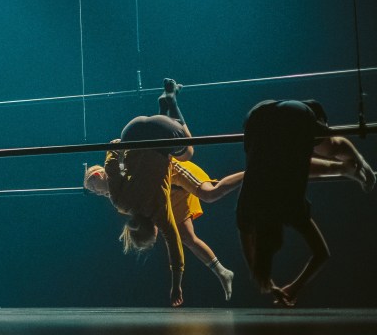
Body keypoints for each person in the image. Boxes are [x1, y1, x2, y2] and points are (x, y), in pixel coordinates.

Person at [84, 79, 243, 307]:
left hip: (165, 151)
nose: (99, 193)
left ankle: (172, 104)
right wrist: (116, 146)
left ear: (154, 228)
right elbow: (114, 164)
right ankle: (221, 271)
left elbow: (174, 249)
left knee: (190, 158)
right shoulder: (121, 202)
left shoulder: (156, 211)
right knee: (187, 236)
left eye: (95, 189)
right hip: (132, 130)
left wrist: (176, 285)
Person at [237, 99, 376, 306]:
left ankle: (356, 166)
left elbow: (322, 254)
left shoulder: (292, 209)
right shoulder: (248, 209)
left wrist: (292, 288)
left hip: (291, 115)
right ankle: (351, 166)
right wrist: (265, 279)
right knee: (292, 153)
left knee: (323, 148)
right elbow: (251, 250)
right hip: (257, 114)